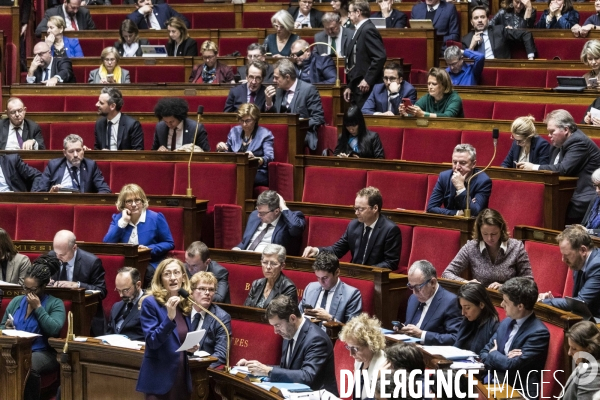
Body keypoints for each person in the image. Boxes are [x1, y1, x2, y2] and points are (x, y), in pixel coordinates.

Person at [236, 295, 338, 394]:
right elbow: (286, 370)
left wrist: (267, 370)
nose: (275, 331)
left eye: (278, 325)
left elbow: (308, 376)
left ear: (292, 318)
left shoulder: (316, 339)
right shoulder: (289, 333)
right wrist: (254, 367)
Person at [517, 109, 600, 224]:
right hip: (566, 192)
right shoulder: (558, 143)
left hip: (582, 197)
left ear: (566, 130)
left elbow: (563, 169)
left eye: (552, 131)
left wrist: (534, 167)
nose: (549, 135)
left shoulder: (578, 142)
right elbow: (553, 167)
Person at [0, 255, 65, 400]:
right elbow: (1, 326)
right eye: (25, 288)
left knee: (27, 365)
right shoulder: (17, 301)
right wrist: (7, 328)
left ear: (44, 286)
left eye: (33, 289)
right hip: (15, 348)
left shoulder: (55, 303)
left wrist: (38, 308)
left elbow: (54, 330)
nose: (28, 293)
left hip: (43, 351)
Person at [480, 277, 550, 400]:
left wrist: (494, 354)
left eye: (506, 302)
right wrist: (500, 358)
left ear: (520, 306)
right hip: (494, 381)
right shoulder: (506, 322)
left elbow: (512, 366)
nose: (501, 305)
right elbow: (484, 352)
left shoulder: (539, 333)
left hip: (517, 391)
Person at [136, 258, 195, 398]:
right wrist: (169, 318)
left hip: (180, 377)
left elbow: (179, 338)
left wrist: (191, 347)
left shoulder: (184, 302)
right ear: (160, 279)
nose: (173, 277)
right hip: (159, 379)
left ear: (183, 277)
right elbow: (152, 341)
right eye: (167, 274)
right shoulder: (150, 303)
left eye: (176, 273)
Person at [303, 186, 401, 271]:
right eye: (355, 208)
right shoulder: (354, 225)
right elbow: (337, 250)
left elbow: (390, 263)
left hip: (374, 279)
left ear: (375, 208)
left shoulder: (390, 230)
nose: (356, 213)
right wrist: (316, 251)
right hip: (354, 275)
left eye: (361, 209)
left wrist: (366, 272)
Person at [442, 208, 534, 289]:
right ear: (479, 231)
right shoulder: (471, 247)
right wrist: (466, 283)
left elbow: (529, 282)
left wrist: (506, 286)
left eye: (494, 234)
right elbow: (447, 274)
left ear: (501, 230)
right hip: (480, 300)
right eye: (485, 234)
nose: (490, 238)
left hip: (509, 300)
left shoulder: (516, 247)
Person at [103, 183, 175, 285]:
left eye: (137, 200)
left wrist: (148, 249)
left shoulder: (156, 218)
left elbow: (169, 242)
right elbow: (107, 244)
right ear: (123, 204)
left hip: (149, 263)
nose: (133, 204)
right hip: (125, 263)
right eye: (129, 201)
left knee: (143, 274)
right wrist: (123, 222)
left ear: (143, 201)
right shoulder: (118, 219)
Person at [538, 225, 600, 319]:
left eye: (566, 255)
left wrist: (543, 302)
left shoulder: (597, 265)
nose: (563, 260)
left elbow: (580, 302)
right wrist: (553, 300)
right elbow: (576, 303)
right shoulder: (579, 261)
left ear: (583, 250)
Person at [395, 260, 462, 345]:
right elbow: (412, 326)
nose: (414, 292)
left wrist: (422, 335)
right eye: (411, 286)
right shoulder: (413, 299)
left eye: (418, 287)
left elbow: (455, 338)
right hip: (409, 350)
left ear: (432, 282)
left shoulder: (451, 302)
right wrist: (403, 329)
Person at [264, 58, 325, 150]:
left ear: (287, 77)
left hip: (301, 134)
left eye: (277, 77)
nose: (274, 80)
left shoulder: (308, 90)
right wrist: (269, 102)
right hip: (279, 133)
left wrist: (297, 125)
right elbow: (274, 117)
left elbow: (318, 118)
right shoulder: (278, 90)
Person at [216, 103, 274, 187]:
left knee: (241, 178)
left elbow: (269, 157)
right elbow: (228, 151)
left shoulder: (265, 134)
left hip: (257, 172)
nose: (244, 124)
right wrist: (221, 148)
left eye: (248, 121)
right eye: (241, 120)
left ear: (255, 120)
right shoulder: (234, 131)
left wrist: (256, 159)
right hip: (235, 170)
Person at [427, 144, 492, 216]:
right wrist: (456, 213)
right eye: (454, 162)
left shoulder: (483, 181)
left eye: (462, 163)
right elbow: (431, 208)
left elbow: (475, 212)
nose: (457, 167)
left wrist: (460, 188)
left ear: (473, 164)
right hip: (448, 223)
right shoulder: (444, 177)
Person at [343, 0, 386, 109]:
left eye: (350, 12)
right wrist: (350, 86)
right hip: (357, 86)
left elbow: (379, 56)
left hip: (366, 88)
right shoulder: (360, 29)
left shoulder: (368, 29)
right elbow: (355, 61)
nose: (348, 16)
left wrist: (368, 80)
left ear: (358, 12)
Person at [234, 190, 305, 256]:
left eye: (263, 213)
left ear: (276, 211)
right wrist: (237, 249)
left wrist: (283, 206)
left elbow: (296, 228)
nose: (258, 215)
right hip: (246, 257)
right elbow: (245, 242)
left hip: (269, 262)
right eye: (258, 211)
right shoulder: (254, 215)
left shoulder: (289, 219)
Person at [299, 251, 362, 324]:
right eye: (318, 277)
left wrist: (330, 319)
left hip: (331, 335)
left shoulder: (351, 294)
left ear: (337, 272)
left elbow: (352, 330)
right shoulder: (310, 288)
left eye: (325, 278)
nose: (321, 282)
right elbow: (298, 316)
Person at [33, 134, 111, 193]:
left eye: (78, 150)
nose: (75, 155)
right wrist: (51, 193)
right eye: (71, 151)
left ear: (83, 150)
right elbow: (41, 192)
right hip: (59, 204)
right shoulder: (53, 165)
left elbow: (105, 190)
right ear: (64, 153)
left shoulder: (90, 166)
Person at [338, 313, 388, 400]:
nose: (351, 354)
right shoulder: (359, 361)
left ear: (370, 345)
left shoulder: (384, 366)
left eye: (355, 348)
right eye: (349, 347)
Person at [189, 271, 231, 368]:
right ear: (191, 292)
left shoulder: (221, 317)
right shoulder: (182, 311)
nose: (207, 293)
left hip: (201, 369)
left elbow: (220, 354)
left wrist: (198, 368)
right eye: (202, 289)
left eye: (211, 290)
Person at [463, 6, 536, 60]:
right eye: (476, 18)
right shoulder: (466, 40)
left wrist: (531, 58)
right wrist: (471, 47)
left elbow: (526, 34)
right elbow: (464, 65)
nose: (479, 20)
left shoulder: (500, 30)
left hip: (500, 70)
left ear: (488, 20)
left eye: (482, 17)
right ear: (471, 22)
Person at [49, 230, 107, 296]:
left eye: (62, 254)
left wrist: (77, 285)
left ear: (74, 248)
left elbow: (102, 291)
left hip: (81, 304)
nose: (57, 257)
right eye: (56, 252)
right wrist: (44, 282)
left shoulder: (92, 262)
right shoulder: (51, 256)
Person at [453, 283, 500, 354]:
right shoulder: (466, 322)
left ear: (481, 305)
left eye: (467, 308)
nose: (463, 313)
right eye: (461, 307)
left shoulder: (494, 327)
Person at [400, 68, 464, 118]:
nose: (430, 87)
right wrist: (406, 114)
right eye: (428, 83)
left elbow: (448, 116)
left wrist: (423, 114)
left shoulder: (455, 98)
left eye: (434, 84)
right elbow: (416, 111)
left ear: (444, 85)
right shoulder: (427, 97)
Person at [562, 321, 600, 400]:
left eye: (574, 349)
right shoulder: (586, 363)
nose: (569, 353)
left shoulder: (592, 373)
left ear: (590, 349)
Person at [106, 266, 144, 340]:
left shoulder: (150, 304)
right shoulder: (116, 307)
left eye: (125, 290)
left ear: (138, 285)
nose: (121, 295)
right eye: (118, 290)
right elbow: (108, 333)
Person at [582, 168, 600, 235]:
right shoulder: (595, 199)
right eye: (595, 186)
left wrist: (588, 231)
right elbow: (584, 224)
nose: (597, 190)